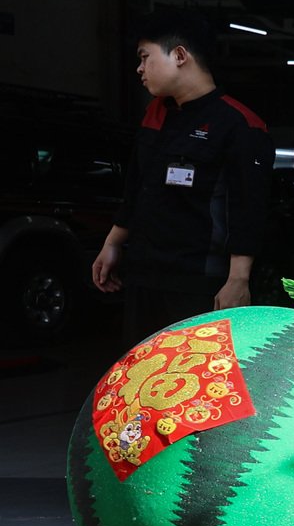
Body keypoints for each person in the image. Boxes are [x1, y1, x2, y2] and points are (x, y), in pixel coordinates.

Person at [90, 18, 274, 339]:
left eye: (145, 57)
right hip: (144, 276)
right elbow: (136, 186)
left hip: (198, 282)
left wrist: (238, 280)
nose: (139, 68)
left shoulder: (239, 124)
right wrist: (112, 244)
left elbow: (248, 207)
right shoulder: (155, 114)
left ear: (179, 56)